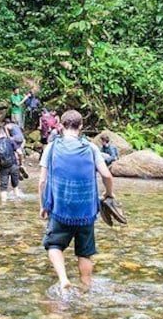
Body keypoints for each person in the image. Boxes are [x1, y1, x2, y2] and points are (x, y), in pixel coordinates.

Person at [38, 110, 115, 290]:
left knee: (54, 244)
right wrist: (109, 194)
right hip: (86, 212)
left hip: (60, 208)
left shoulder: (51, 147)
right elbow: (107, 175)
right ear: (81, 127)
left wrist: (43, 205)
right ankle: (86, 288)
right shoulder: (91, 148)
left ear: (60, 126)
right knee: (85, 253)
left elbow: (42, 181)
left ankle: (64, 279)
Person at [0, 124, 22, 201]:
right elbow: (20, 152)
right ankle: (17, 202)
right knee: (15, 185)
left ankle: (3, 203)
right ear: (4, 134)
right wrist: (20, 163)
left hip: (3, 167)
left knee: (3, 187)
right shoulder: (10, 141)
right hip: (14, 165)